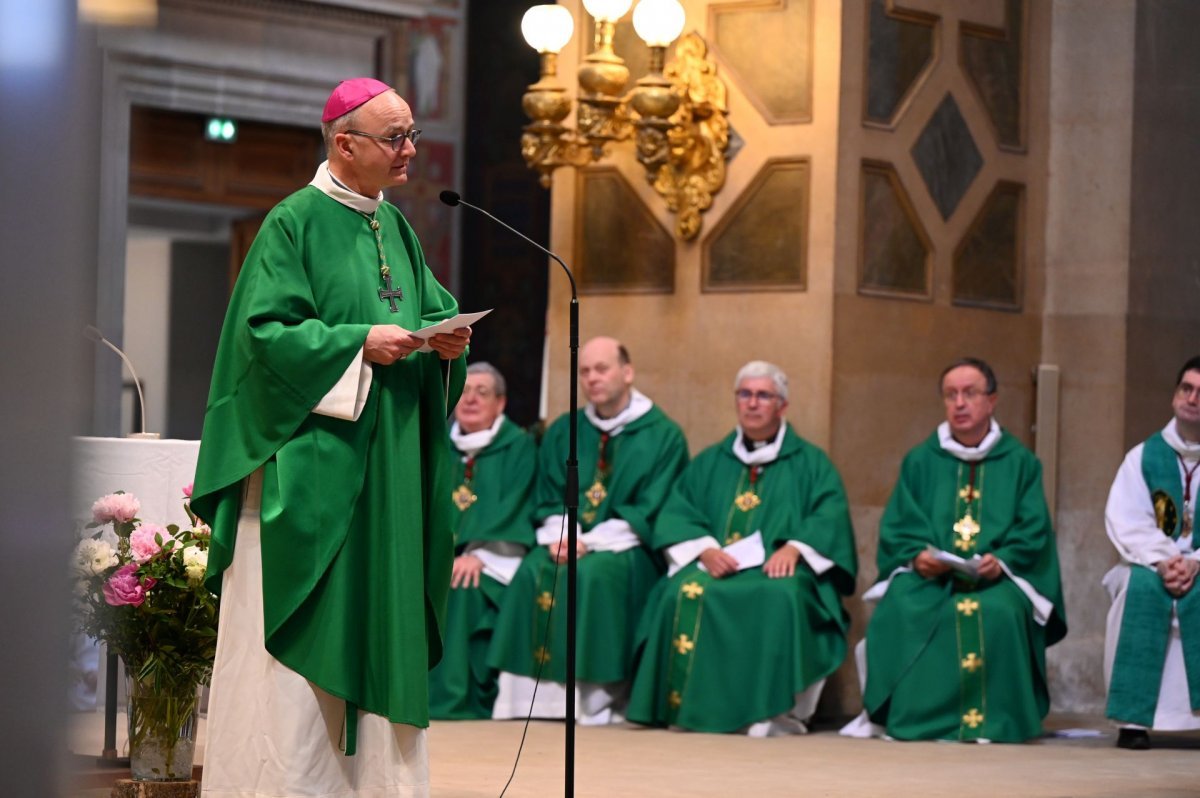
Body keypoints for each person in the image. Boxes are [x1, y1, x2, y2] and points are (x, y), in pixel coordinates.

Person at [190, 78, 470, 798]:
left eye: (412, 134)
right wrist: (355, 344)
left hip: (388, 471)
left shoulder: (396, 226)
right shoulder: (293, 222)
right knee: (304, 656)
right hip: (317, 476)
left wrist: (448, 342)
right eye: (395, 137)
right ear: (345, 144)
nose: (410, 150)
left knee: (382, 628)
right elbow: (262, 341)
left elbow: (428, 307)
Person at [626, 361, 857, 735]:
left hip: (776, 571)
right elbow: (678, 510)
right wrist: (704, 550)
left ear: (782, 406)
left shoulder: (811, 463)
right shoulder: (710, 461)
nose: (752, 403)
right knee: (678, 593)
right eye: (745, 394)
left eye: (763, 395)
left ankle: (772, 711)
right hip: (718, 566)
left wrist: (795, 548)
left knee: (784, 596)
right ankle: (687, 708)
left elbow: (829, 514)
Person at [845, 357, 1066, 743]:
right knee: (902, 606)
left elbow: (1033, 530)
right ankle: (917, 718)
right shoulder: (920, 460)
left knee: (999, 612)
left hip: (996, 580)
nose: (959, 403)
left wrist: (1006, 559)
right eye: (951, 395)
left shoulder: (1020, 463)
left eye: (970, 393)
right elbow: (898, 526)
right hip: (932, 578)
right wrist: (917, 556)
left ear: (992, 401)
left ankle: (995, 720)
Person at [487, 336, 689, 723]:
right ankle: (527, 702)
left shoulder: (663, 435)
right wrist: (559, 534)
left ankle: (593, 701)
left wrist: (590, 541)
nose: (592, 378)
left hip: (628, 549)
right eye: (584, 371)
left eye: (602, 368)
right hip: (565, 540)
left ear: (627, 373)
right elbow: (547, 492)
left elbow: (655, 506)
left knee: (593, 576)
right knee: (531, 571)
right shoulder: (565, 430)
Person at [429, 362, 536, 719]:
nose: (471, 399)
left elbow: (518, 503)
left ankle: (456, 699)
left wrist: (480, 552)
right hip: (437, 556)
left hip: (498, 557)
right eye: (465, 390)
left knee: (463, 587)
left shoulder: (519, 447)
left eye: (483, 392)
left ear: (500, 403)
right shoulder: (435, 440)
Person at [1103, 355, 1200, 749]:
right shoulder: (1142, 457)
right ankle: (1134, 721)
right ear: (1175, 395)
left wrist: (1195, 562)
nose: (1192, 398)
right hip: (1151, 561)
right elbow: (1126, 518)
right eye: (1186, 388)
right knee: (1135, 589)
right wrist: (1164, 560)